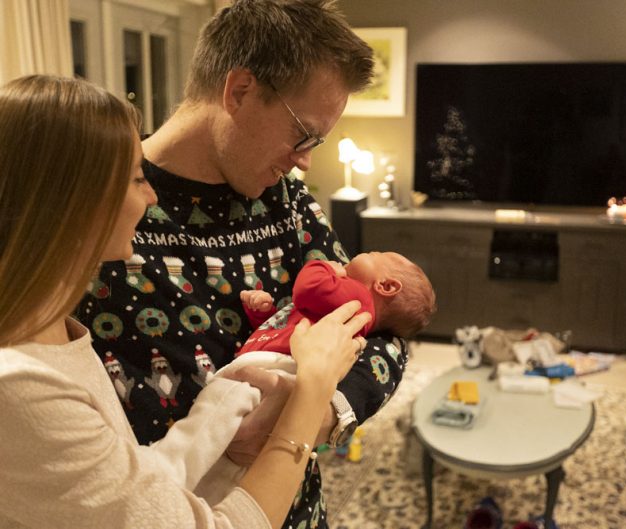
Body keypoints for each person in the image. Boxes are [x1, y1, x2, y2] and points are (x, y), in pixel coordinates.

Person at [76, 2, 407, 527]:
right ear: (240, 91)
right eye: (304, 134)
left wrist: (315, 416)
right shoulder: (103, 206)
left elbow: (384, 329)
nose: (305, 160)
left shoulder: (287, 201)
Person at [0, 74, 370, 529]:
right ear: (72, 203)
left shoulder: (56, 332)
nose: (151, 195)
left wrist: (230, 436)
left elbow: (137, 479)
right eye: (138, 178)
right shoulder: (18, 386)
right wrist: (311, 394)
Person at [236, 252, 436, 361]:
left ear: (386, 286)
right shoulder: (345, 307)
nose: (369, 251)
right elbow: (288, 328)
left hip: (269, 364)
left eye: (376, 255)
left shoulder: (360, 299)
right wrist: (263, 314)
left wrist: (324, 267)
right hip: (262, 361)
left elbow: (308, 287)